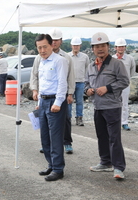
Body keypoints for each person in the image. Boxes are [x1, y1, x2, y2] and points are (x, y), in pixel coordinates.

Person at [85, 32, 129, 179]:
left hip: (112, 106)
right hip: (98, 106)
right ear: (92, 49)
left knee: (114, 137)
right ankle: (105, 162)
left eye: (103, 45)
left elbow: (124, 81)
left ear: (108, 47)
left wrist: (108, 88)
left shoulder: (117, 64)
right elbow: (86, 84)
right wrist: (88, 90)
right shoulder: (91, 66)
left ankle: (118, 167)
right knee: (102, 136)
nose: (100, 49)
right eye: (97, 46)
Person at [33, 34, 68, 181]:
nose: (42, 50)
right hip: (44, 101)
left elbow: (62, 83)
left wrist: (58, 103)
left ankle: (58, 169)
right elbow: (43, 83)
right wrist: (40, 102)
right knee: (45, 136)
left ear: (51, 45)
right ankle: (51, 164)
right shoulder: (42, 62)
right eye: (39, 47)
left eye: (44, 47)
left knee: (55, 137)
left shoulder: (60, 61)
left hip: (55, 102)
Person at [48, 28, 75, 154]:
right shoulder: (42, 56)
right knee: (47, 120)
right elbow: (36, 74)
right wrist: (35, 90)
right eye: (52, 40)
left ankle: (67, 142)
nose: (54, 42)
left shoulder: (67, 57)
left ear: (61, 41)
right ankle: (48, 143)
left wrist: (70, 93)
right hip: (47, 93)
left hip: (62, 93)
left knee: (66, 118)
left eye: (56, 40)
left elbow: (70, 76)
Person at [112, 38, 136, 131]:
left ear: (125, 47)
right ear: (116, 48)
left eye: (122, 46)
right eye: (119, 47)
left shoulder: (130, 59)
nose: (121, 48)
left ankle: (124, 122)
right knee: (114, 103)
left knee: (124, 104)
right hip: (114, 85)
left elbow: (132, 71)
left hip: (125, 85)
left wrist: (126, 79)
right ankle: (115, 122)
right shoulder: (112, 59)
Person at [68, 37, 90, 126]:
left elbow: (87, 69)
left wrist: (86, 81)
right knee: (69, 101)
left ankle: (79, 118)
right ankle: (68, 118)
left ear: (80, 46)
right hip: (70, 82)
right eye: (74, 45)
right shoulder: (67, 56)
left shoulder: (85, 57)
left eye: (77, 45)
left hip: (81, 82)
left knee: (80, 101)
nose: (75, 47)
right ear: (71, 46)